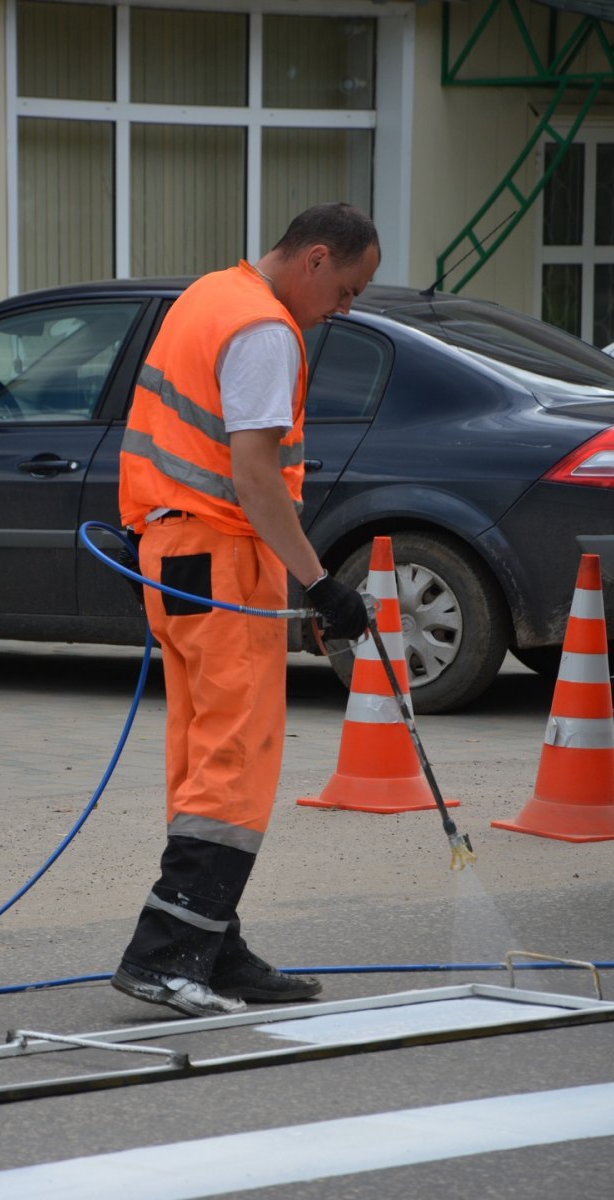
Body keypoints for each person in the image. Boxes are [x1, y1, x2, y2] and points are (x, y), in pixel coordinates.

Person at [113, 203, 381, 1018]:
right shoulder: (264, 331)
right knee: (235, 758)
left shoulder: (208, 293)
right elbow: (257, 477)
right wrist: (322, 584)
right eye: (345, 288)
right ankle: (164, 957)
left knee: (201, 755)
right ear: (314, 259)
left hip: (173, 550)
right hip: (224, 557)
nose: (344, 309)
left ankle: (211, 943)